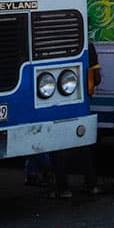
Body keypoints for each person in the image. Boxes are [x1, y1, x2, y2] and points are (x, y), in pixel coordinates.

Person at [46, 43, 103, 199]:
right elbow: (97, 78)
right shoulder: (87, 46)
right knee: (83, 144)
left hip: (55, 101)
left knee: (55, 144)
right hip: (79, 102)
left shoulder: (47, 45)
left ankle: (62, 188)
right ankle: (92, 184)